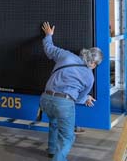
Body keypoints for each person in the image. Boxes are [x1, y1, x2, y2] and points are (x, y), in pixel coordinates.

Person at [39, 22, 103, 161]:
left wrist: (49, 35)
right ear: (92, 63)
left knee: (54, 122)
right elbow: (79, 97)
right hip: (63, 103)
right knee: (68, 136)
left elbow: (49, 49)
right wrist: (86, 98)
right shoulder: (89, 77)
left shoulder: (66, 56)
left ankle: (51, 150)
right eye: (96, 65)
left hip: (45, 99)